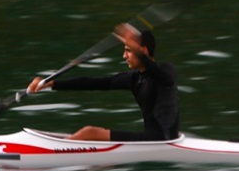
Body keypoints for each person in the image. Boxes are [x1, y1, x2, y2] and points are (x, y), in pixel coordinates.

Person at [27, 24, 179, 141]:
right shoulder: (134, 78)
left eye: (128, 50)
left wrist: (136, 48)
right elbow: (93, 82)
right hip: (151, 139)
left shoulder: (165, 70)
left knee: (89, 132)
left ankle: (54, 154)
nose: (124, 55)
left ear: (143, 51)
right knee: (90, 136)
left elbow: (163, 77)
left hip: (162, 140)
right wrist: (52, 84)